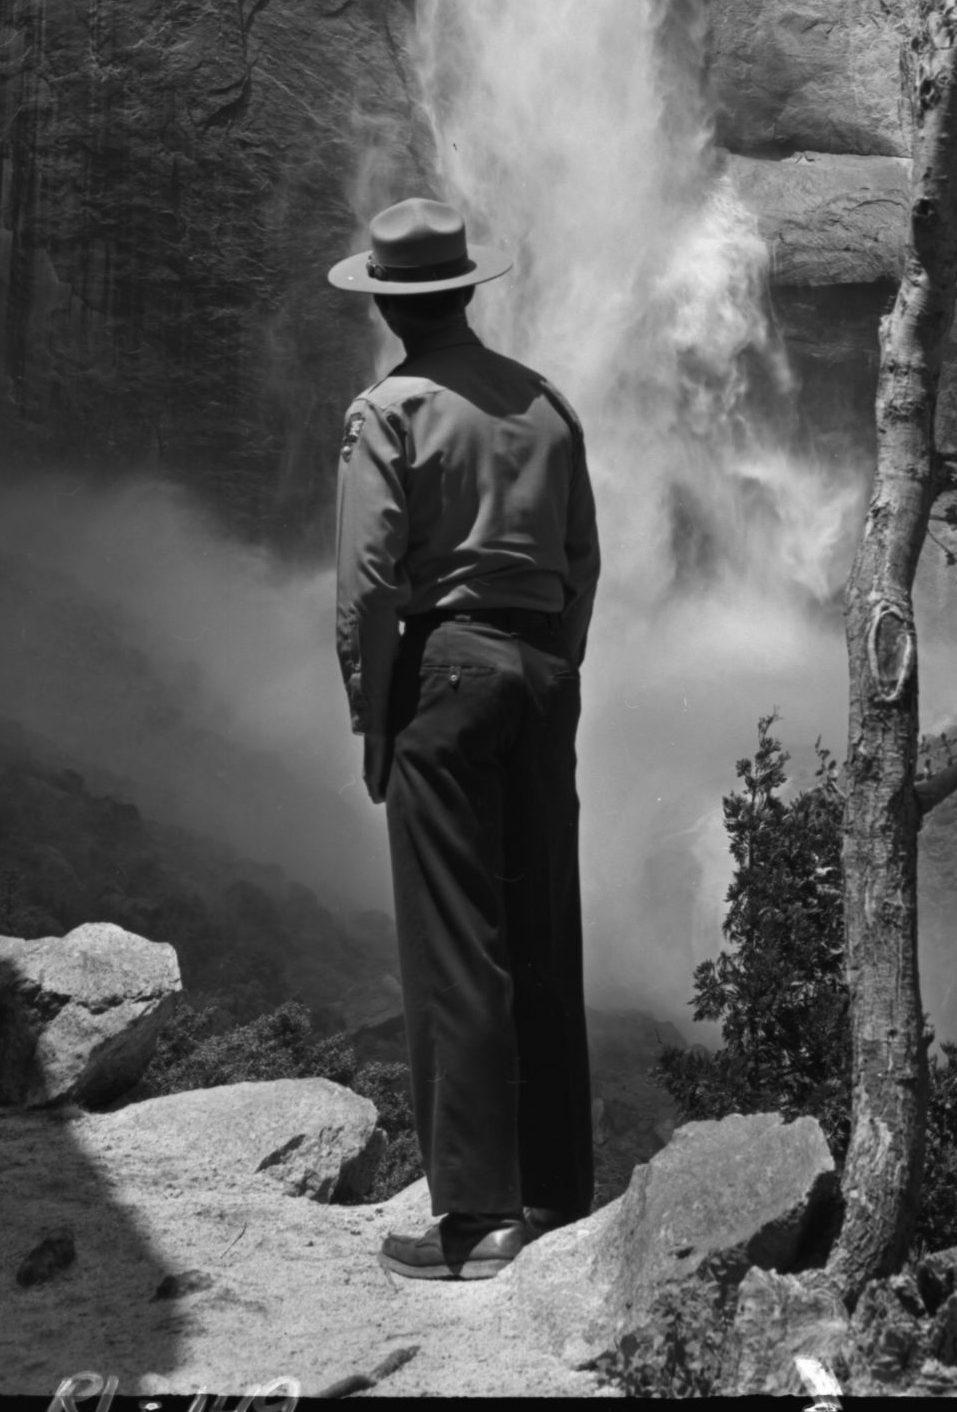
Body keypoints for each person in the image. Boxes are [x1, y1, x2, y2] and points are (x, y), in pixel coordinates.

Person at [329, 196, 600, 1282]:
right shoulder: (547, 404)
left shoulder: (388, 411)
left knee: (455, 946)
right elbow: (582, 564)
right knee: (541, 924)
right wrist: (558, 667)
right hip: (541, 672)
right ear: (462, 292)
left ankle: (476, 1220)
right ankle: (553, 1194)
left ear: (394, 307)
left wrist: (374, 718)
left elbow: (365, 588)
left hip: (447, 675)